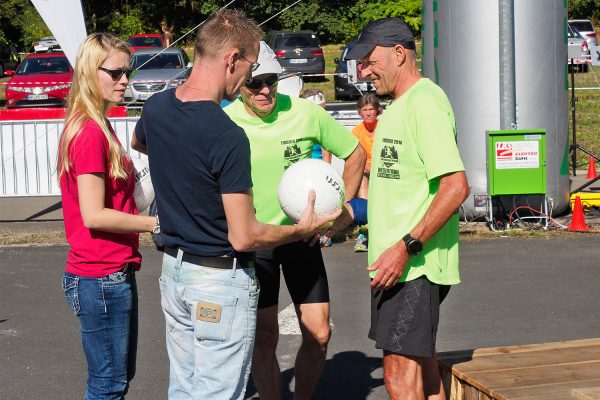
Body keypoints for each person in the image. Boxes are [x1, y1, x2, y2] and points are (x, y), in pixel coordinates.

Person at [131, 10, 339, 400]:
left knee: (185, 388)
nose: (251, 79)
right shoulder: (227, 134)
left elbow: (140, 143)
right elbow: (245, 236)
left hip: (175, 273)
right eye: (250, 66)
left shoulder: (156, 108)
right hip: (216, 279)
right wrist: (303, 230)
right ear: (231, 59)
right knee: (216, 393)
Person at [225, 41, 365, 400]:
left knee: (319, 334)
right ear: (240, 84)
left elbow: (355, 153)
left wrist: (342, 214)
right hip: (260, 243)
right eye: (255, 84)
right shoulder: (226, 122)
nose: (265, 90)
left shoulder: (305, 112)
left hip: (304, 239)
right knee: (265, 338)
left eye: (271, 81)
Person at [347, 18, 470, 400]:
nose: (364, 71)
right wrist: (342, 219)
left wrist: (405, 248)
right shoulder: (400, 106)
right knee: (423, 371)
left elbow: (455, 186)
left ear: (400, 53)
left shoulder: (425, 102)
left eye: (370, 61)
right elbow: (396, 189)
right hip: (397, 265)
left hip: (412, 266)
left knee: (399, 377)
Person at [58, 33, 159, 399]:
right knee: (107, 385)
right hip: (100, 275)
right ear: (89, 71)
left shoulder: (98, 125)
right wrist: (157, 224)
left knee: (114, 379)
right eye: (115, 73)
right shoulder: (89, 133)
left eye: (126, 72)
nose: (125, 81)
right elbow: (94, 215)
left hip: (109, 272)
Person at [351, 92, 381, 252]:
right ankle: (364, 230)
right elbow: (357, 159)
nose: (368, 113)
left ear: (377, 111)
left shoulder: (384, 127)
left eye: (371, 109)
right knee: (363, 179)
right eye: (364, 109)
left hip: (382, 170)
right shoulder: (356, 132)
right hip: (365, 170)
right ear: (360, 112)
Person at [301, 88, 332, 164]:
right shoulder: (297, 124)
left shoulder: (324, 125)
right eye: (318, 109)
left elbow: (327, 155)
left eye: (323, 109)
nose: (322, 113)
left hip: (318, 169)